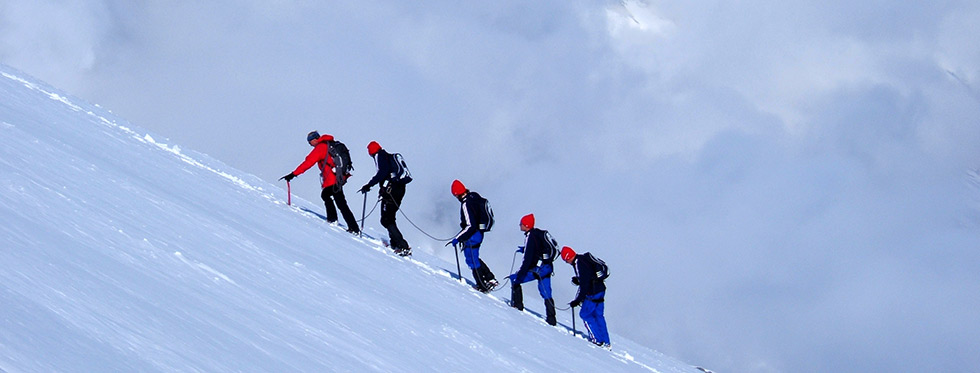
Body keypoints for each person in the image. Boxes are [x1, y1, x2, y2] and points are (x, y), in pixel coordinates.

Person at [280, 131, 359, 234]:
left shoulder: (321, 148)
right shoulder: (329, 144)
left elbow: (308, 162)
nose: (309, 144)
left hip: (332, 180)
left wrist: (293, 174)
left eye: (310, 141)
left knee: (328, 196)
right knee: (339, 202)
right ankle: (352, 227)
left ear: (315, 139)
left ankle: (334, 220)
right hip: (339, 178)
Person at [358, 141, 411, 256]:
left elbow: (382, 173)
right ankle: (395, 243)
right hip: (399, 189)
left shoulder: (379, 156)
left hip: (392, 191)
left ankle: (402, 246)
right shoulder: (386, 156)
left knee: (386, 219)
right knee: (389, 217)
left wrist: (369, 184)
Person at [448, 180, 498, 293]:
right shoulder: (474, 196)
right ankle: (490, 278)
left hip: (472, 235)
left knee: (472, 260)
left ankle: (482, 285)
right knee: (474, 257)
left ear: (456, 194)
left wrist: (458, 238)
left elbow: (470, 226)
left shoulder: (466, 204)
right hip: (480, 232)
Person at [509, 213, 559, 326]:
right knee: (546, 293)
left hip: (539, 268)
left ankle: (517, 306)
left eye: (521, 224)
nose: (519, 225)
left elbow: (528, 259)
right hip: (547, 267)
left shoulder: (530, 236)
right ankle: (552, 319)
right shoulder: (537, 234)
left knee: (515, 280)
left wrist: (521, 273)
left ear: (526, 225)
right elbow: (537, 249)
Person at [561, 245, 610, 347]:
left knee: (585, 314)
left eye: (566, 261)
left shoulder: (579, 264)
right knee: (599, 316)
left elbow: (585, 285)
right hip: (600, 289)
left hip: (592, 293)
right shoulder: (583, 259)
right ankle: (606, 341)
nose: (567, 263)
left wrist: (577, 300)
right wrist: (578, 280)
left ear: (568, 257)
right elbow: (588, 276)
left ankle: (597, 340)